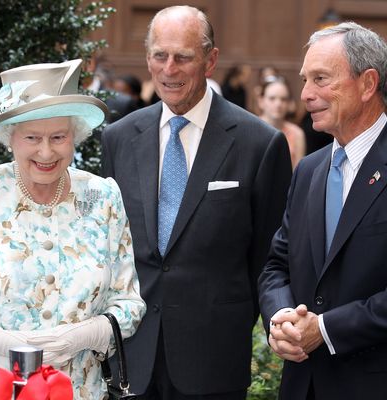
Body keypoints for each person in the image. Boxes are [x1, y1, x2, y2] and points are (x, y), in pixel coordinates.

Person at [101, 5, 292, 400]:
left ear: (210, 60)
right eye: (159, 55)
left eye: (183, 57)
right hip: (131, 359)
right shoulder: (118, 139)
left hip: (214, 363)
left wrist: (233, 323)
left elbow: (269, 259)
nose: (169, 69)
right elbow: (109, 246)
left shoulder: (259, 144)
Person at [0, 59, 146, 399]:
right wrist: (1, 341)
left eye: (58, 137)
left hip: (83, 390)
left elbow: (129, 304)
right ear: (9, 137)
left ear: (75, 136)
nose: (46, 151)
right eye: (32, 137)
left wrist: (85, 335)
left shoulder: (103, 196)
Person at [258, 22, 387, 400]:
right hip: (302, 384)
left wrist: (327, 329)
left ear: (367, 84)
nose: (306, 94)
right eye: (304, 80)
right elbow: (276, 265)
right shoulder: (309, 169)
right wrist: (281, 320)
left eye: (321, 79)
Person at [258, 76, 306, 169]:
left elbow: (298, 173)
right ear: (261, 101)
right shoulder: (251, 130)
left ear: (289, 103)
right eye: (272, 98)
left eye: (283, 99)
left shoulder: (297, 134)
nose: (278, 104)